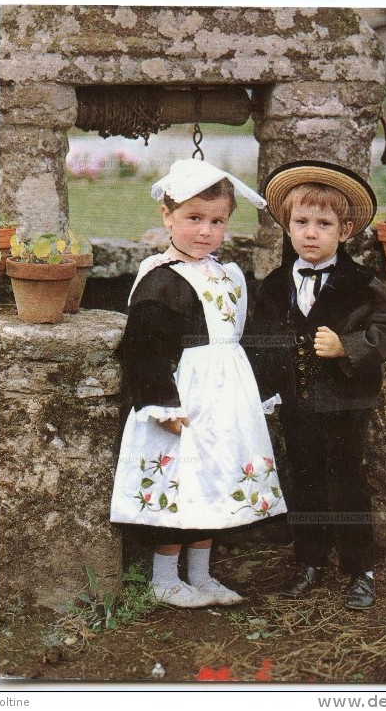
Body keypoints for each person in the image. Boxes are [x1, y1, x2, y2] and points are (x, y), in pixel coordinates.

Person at [110, 158, 287, 609]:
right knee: (181, 479)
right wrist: (162, 406)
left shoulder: (228, 276)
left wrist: (259, 392)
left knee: (215, 478)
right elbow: (144, 348)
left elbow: (245, 336)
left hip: (225, 399)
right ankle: (165, 577)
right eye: (193, 219)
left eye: (216, 221)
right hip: (185, 398)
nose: (205, 231)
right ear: (167, 216)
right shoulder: (163, 281)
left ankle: (202, 574)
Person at [250, 161, 386, 609]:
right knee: (305, 481)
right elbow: (261, 339)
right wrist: (267, 385)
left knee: (346, 483)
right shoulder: (274, 285)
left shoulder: (361, 283)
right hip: (296, 403)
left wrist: (349, 346)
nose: (311, 233)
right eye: (301, 223)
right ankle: (309, 560)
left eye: (324, 224)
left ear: (346, 229)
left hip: (345, 403)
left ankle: (360, 569)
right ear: (287, 226)